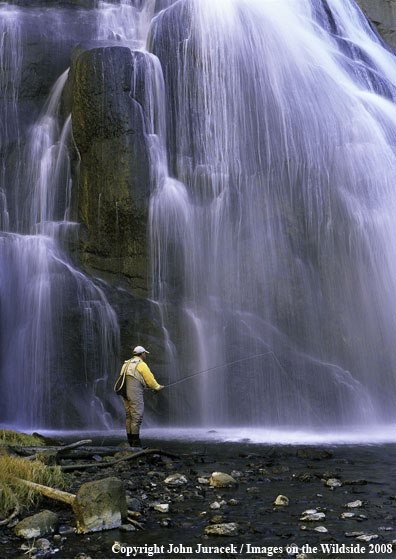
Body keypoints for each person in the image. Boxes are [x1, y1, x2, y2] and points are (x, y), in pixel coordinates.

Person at [121, 345, 164, 447]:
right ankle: (136, 443)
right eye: (145, 353)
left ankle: (130, 440)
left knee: (129, 416)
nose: (145, 355)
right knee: (137, 416)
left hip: (124, 393)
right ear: (142, 354)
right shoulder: (141, 364)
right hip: (134, 393)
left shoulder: (126, 364)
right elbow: (150, 380)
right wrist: (157, 387)